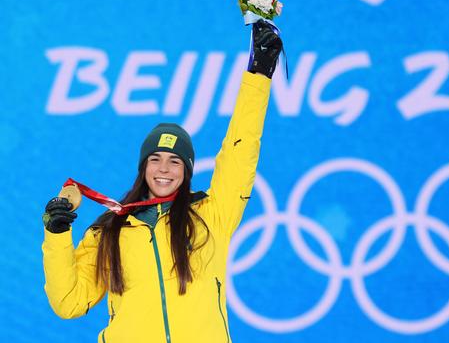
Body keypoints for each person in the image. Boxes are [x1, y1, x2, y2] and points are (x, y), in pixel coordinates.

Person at [42, 21, 283, 343]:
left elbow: (241, 148)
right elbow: (69, 303)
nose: (164, 169)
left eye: (175, 161)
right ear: (143, 168)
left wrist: (259, 75)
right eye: (155, 159)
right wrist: (57, 234)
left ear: (187, 170)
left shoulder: (213, 215)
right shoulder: (109, 230)